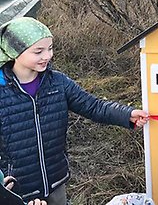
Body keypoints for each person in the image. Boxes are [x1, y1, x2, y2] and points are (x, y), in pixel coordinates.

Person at [0, 17, 149, 204]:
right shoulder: (2, 91)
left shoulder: (58, 82)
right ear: (15, 51)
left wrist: (127, 114)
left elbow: (93, 106)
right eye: (38, 51)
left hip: (56, 182)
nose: (47, 56)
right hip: (16, 190)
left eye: (50, 48)